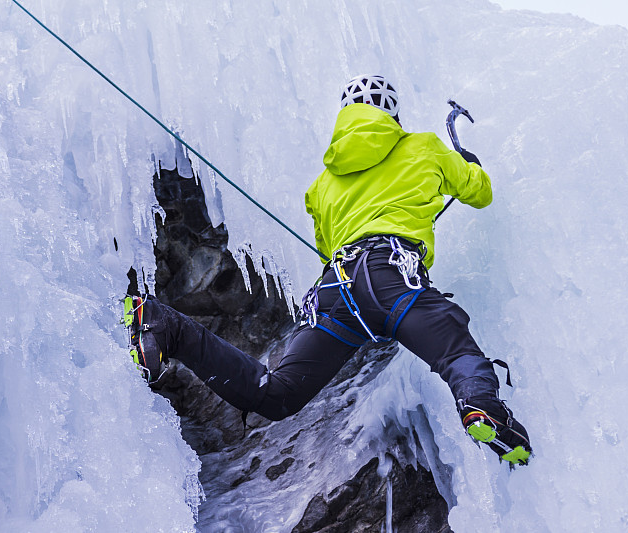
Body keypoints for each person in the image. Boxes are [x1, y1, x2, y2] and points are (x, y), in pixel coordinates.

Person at [125, 74, 531, 466]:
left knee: (278, 395)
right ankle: (481, 407)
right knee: (454, 350)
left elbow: (326, 247)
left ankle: (166, 326)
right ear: (393, 115)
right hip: (391, 273)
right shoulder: (424, 145)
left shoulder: (321, 184)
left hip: (336, 291)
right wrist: (467, 165)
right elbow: (480, 192)